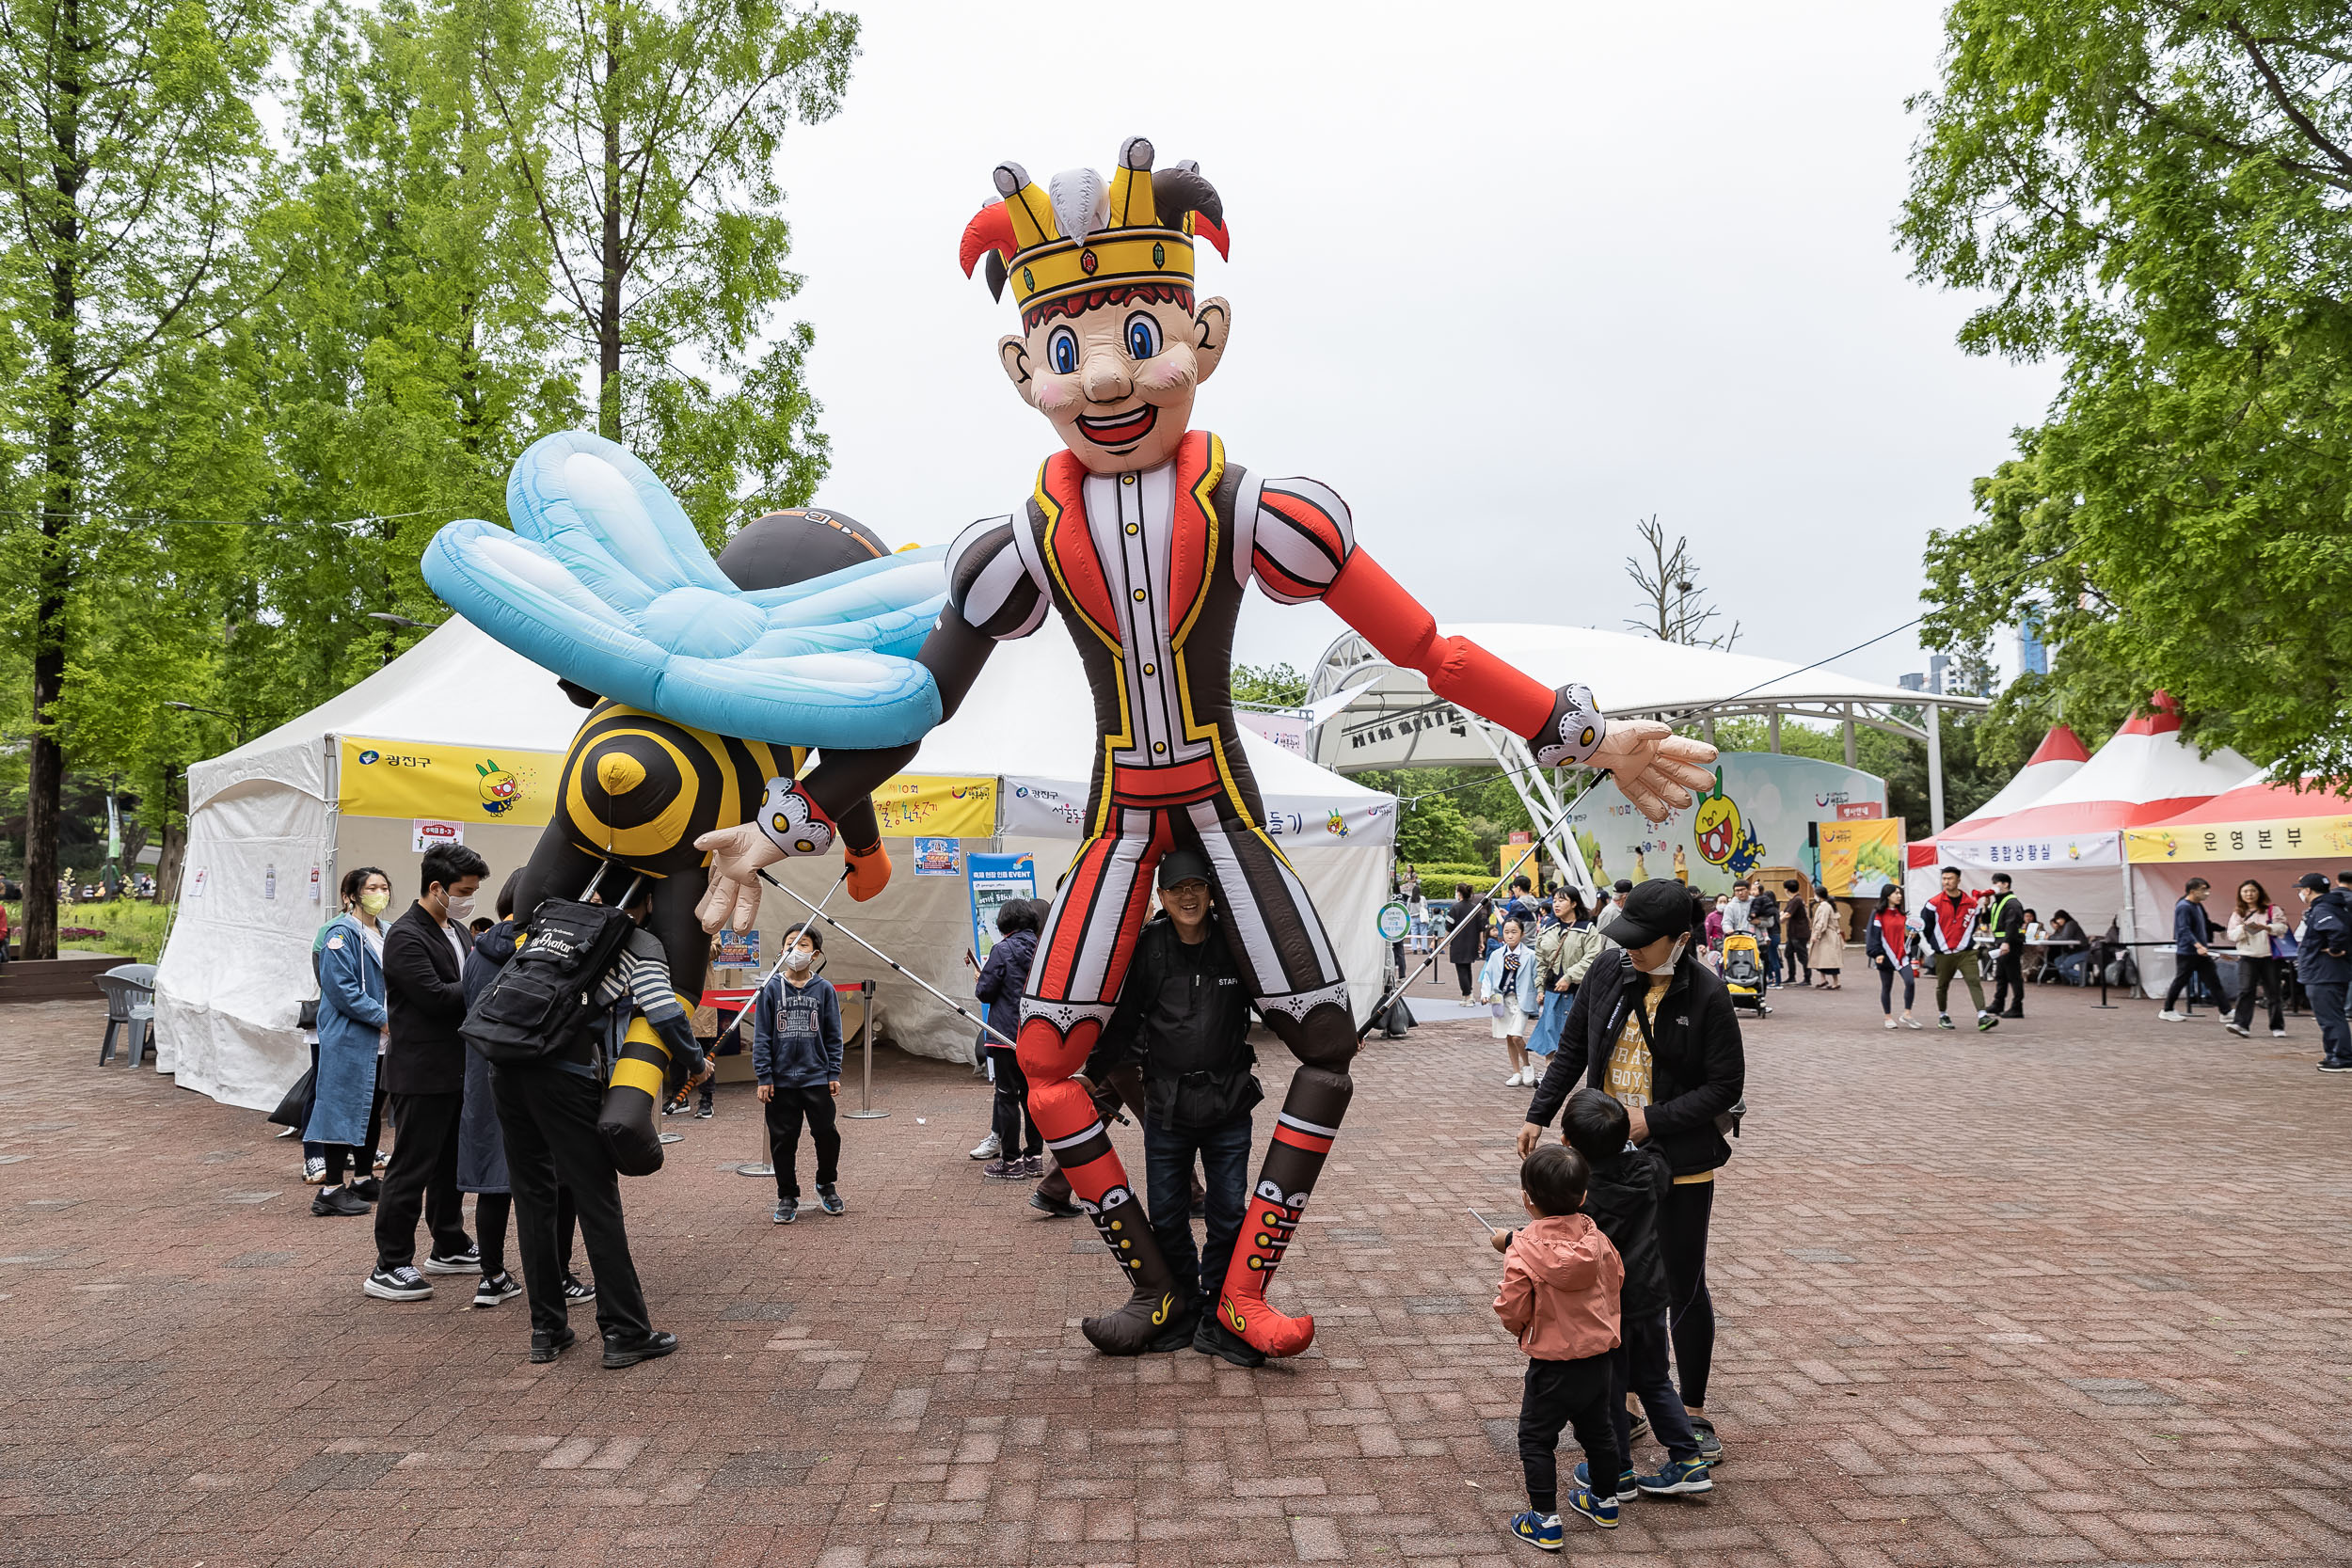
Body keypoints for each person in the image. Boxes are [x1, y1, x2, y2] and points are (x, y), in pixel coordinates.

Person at [1518, 878, 1746, 1467]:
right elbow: (1572, 1049)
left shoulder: (1707, 994)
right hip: (1608, 1164)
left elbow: (1725, 1087)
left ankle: (1690, 1411)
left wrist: (1653, 1120)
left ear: (1681, 939)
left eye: (1644, 942)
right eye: (1626, 937)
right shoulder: (1608, 973)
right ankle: (1625, 1402)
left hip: (1682, 1163)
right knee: (1610, 1280)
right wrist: (1539, 1114)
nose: (1632, 950)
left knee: (1680, 1284)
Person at [1081, 851, 1267, 1366]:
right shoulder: (1149, 949)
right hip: (1166, 1104)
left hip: (1230, 1103)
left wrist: (1331, 1042)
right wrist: (1091, 1072)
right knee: (1166, 1215)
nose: (1188, 897)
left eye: (1197, 887)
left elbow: (1282, 1000)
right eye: (1176, 889)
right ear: (1161, 897)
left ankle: (1219, 1316)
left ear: (1211, 893)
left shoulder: (1236, 945)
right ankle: (1182, 1305)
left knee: (1229, 1214)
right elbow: (1122, 1021)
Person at [1560, 1087, 1711, 1503]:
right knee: (1655, 1380)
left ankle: (1618, 1470)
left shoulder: (1582, 1195)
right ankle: (1687, 1459)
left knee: (1609, 1388)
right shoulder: (1647, 1171)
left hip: (1608, 1307)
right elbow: (1660, 1154)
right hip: (1650, 1299)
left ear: (1568, 1143)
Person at [364, 843, 488, 1302]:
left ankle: (449, 1242)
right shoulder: (405, 936)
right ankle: (390, 1262)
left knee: (451, 1164)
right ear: (436, 888)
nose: (468, 898)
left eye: (473, 890)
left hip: (459, 1065)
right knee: (411, 1166)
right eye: (462, 890)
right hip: (421, 1069)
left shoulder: (456, 929)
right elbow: (435, 997)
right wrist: (484, 986)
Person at [1491, 1143, 1627, 1545]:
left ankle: (1544, 1519)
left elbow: (1511, 1306)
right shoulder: (1597, 1239)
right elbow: (1616, 1279)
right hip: (1598, 1356)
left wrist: (1520, 1328)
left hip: (1552, 1363)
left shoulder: (1523, 1251)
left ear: (1526, 1200)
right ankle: (1604, 1501)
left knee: (1536, 1437)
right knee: (1599, 1431)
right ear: (1583, 1195)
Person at [455, 872, 526, 1308]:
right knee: (545, 1183)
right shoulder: (538, 947)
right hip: (529, 1073)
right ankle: (557, 1275)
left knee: (491, 1181)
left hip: (482, 1071)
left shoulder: (477, 951)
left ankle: (491, 1275)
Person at [307, 867, 392, 1218]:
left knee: (371, 1107)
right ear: (350, 895)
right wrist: (384, 1019)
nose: (379, 893)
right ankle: (330, 1189)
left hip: (383, 1037)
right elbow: (341, 990)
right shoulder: (340, 934)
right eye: (371, 887)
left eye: (384, 887)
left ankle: (362, 1177)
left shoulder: (385, 931)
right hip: (352, 1035)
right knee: (340, 1108)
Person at [754, 925, 846, 1224]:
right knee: (783, 1140)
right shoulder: (770, 988)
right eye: (790, 943)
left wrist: (834, 1071)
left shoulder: (825, 990)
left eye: (802, 944)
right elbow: (762, 1036)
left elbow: (834, 1034)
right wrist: (764, 1076)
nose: (795, 950)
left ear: (815, 954)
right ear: (781, 950)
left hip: (816, 1076)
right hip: (780, 1081)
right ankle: (787, 1195)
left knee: (827, 1135)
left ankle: (826, 1184)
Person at [972, 900, 1042, 1180]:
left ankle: (1011, 1161)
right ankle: (1035, 1157)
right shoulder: (1043, 950)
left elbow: (985, 992)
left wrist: (980, 977)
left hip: (1005, 1035)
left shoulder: (1001, 950)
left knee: (1006, 1097)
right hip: (1037, 1034)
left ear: (1004, 923)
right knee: (1032, 1098)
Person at [1918, 867, 1993, 1028]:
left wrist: (1986, 906)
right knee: (1942, 985)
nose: (1946, 882)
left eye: (1950, 878)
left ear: (1958, 880)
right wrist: (1935, 944)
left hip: (1966, 952)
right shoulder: (1933, 903)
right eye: (1944, 878)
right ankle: (1943, 1015)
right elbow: (1926, 925)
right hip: (1944, 953)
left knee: (1974, 981)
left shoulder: (1972, 903)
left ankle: (1983, 1015)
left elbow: (1984, 920)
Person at [2295, 872, 2352, 1071]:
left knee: (2331, 1017)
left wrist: (2335, 949)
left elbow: (2336, 930)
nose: (2301, 893)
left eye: (2301, 889)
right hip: (2328, 971)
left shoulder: (2324, 909)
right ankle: (2333, 1055)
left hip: (2324, 972)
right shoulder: (2332, 906)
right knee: (2329, 1016)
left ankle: (2342, 1058)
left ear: (2308, 890)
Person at [2226, 879, 2290, 1039]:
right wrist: (2243, 927)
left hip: (2270, 957)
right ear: (2240, 894)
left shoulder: (2272, 910)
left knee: (2273, 992)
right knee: (2246, 990)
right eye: (2245, 891)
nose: (2249, 894)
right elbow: (2232, 936)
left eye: (2252, 891)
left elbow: (2283, 928)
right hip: (2247, 956)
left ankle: (2277, 1026)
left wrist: (2267, 927)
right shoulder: (2238, 913)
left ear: (2260, 892)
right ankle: (2241, 1024)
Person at [1483, 918, 1543, 1087]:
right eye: (1507, 932)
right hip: (1501, 1000)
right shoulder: (1497, 955)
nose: (1510, 935)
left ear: (1522, 934)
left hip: (1521, 1000)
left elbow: (1536, 976)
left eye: (1514, 932)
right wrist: (1485, 994)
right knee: (1508, 1037)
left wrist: (1540, 991)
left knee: (1516, 1036)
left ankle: (1527, 1065)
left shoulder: (1530, 956)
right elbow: (1488, 976)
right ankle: (1516, 1072)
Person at [2158, 879, 2223, 1021]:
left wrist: (2222, 930)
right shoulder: (2183, 906)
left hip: (2200, 953)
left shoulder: (2197, 906)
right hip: (2187, 952)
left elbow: (2205, 924)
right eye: (2204, 889)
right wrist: (2198, 945)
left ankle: (2226, 1012)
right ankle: (2167, 1010)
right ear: (2193, 891)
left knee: (2213, 981)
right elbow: (2183, 929)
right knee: (2180, 981)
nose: (2207, 893)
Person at [1865, 882, 1921, 1030]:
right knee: (1887, 986)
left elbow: (1911, 937)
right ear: (1887, 895)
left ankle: (1907, 1014)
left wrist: (1914, 936)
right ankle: (1888, 1017)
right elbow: (1873, 935)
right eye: (1896, 893)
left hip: (1902, 955)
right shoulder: (1878, 914)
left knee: (1910, 982)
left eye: (1900, 893)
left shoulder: (1903, 915)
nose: (1899, 896)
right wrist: (1876, 953)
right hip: (1885, 955)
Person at [1985, 872, 2027, 1019]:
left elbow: (2012, 925)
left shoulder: (2012, 903)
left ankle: (2017, 1007)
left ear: (2005, 884)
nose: (1993, 886)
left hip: (2010, 944)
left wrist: (2006, 943)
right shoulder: (1998, 902)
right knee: (2001, 975)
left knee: (2014, 976)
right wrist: (1985, 906)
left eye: (1996, 883)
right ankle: (1998, 1004)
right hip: (2001, 943)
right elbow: (1986, 919)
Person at [1449, 882, 1491, 998]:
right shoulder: (1475, 908)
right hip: (1472, 942)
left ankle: (1467, 995)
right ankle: (1469, 992)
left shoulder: (1454, 908)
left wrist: (1444, 940)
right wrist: (1481, 942)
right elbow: (1480, 927)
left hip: (1458, 943)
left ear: (1459, 893)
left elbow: (1449, 926)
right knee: (1467, 968)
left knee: (1461, 969)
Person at [2047, 910, 2092, 985]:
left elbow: (2064, 938)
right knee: (2058, 961)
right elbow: (2058, 936)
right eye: (2057, 919)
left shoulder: (2071, 924)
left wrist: (2049, 937)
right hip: (2073, 952)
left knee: (2063, 967)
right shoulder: (2063, 927)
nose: (2058, 921)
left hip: (2082, 951)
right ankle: (2075, 979)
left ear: (2065, 917)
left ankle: (2086, 976)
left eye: (2060, 918)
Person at [1748, 880, 1780, 987]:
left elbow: (1770, 923)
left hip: (1771, 935)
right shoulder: (1769, 908)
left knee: (1771, 959)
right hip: (1769, 935)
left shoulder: (1768, 909)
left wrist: (1758, 921)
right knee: (1770, 959)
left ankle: (1776, 981)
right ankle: (1771, 979)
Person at [1781, 879, 1811, 986]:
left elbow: (1787, 914)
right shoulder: (1794, 899)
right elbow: (1785, 912)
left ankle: (1807, 978)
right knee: (1788, 953)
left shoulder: (1796, 900)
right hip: (1793, 933)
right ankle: (1791, 976)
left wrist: (1778, 921)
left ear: (1787, 889)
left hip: (1799, 933)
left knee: (1802, 956)